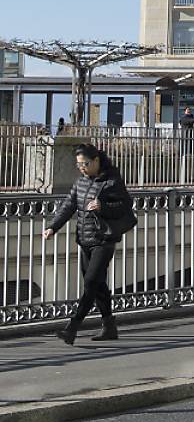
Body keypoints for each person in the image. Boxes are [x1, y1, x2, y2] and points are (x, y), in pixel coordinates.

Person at [44, 144, 135, 345]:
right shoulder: (81, 182)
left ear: (96, 161)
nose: (82, 168)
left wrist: (103, 207)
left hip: (104, 239)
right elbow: (68, 206)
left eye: (85, 164)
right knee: (98, 284)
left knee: (91, 282)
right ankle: (109, 326)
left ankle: (72, 328)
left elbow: (125, 206)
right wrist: (52, 227)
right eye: (79, 165)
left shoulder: (112, 181)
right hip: (84, 240)